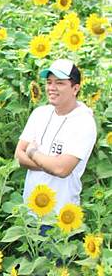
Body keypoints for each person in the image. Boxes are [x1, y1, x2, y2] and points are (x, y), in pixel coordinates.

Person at [15, 59, 97, 216]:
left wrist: (32, 153)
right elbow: (19, 155)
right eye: (49, 82)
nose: (51, 88)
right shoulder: (39, 113)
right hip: (29, 213)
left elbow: (61, 169)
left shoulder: (84, 122)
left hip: (60, 218)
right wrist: (50, 163)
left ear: (75, 88)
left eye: (59, 83)